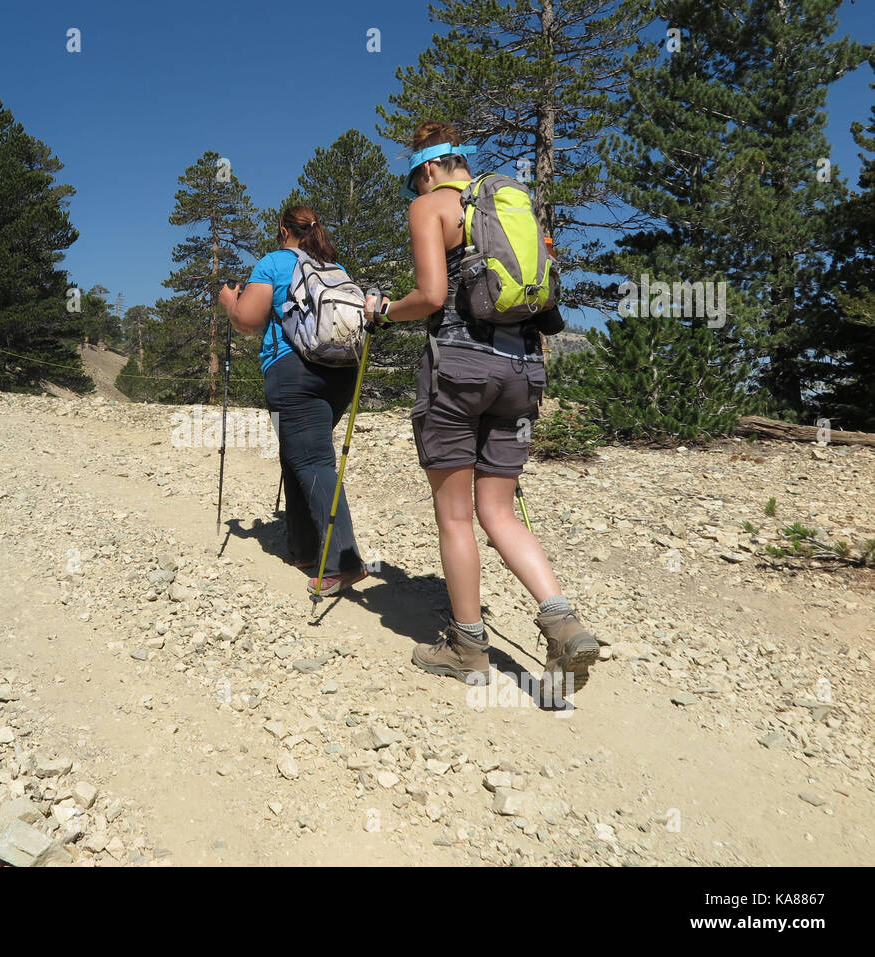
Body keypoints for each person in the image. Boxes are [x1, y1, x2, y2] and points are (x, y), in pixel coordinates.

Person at [368, 121, 601, 692]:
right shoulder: (509, 199)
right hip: (523, 370)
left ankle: (467, 646)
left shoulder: (431, 207)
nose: (414, 193)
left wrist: (381, 311)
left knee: (455, 515)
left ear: (426, 170)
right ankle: (561, 620)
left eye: (412, 182)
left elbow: (428, 295)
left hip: (460, 371)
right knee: (498, 511)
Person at [219, 206, 368, 596]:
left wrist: (229, 303)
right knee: (299, 453)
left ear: (283, 229)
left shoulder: (273, 263)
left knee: (311, 459)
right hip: (342, 374)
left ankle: (344, 562)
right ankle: (304, 549)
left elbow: (249, 321)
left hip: (293, 370)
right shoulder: (333, 268)